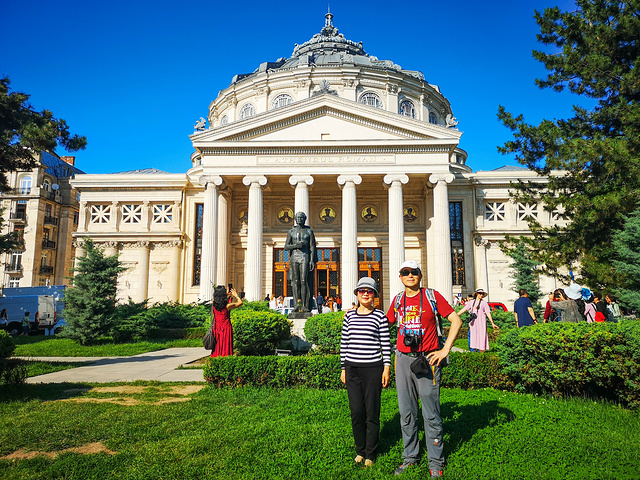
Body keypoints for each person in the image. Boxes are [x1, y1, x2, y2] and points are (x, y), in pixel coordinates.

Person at [387, 260, 462, 478]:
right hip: (403, 360)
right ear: (400, 277)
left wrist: (445, 349)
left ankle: (436, 463)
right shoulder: (398, 300)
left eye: (414, 272)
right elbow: (385, 323)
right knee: (407, 412)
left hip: (428, 359)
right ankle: (410, 458)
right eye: (405, 272)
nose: (410, 275)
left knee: (431, 413)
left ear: (420, 275)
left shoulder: (432, 297)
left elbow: (455, 320)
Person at [340, 277, 391, 467]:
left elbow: (385, 345)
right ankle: (359, 450)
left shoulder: (380, 316)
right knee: (356, 411)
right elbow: (344, 344)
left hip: (373, 369)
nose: (365, 294)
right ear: (357, 294)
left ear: (375, 295)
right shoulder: (349, 316)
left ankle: (370, 453)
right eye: (362, 291)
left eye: (369, 291)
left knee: (372, 411)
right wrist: (343, 368)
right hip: (352, 369)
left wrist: (386, 368)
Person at [284, 211, 317, 311]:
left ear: (304, 219)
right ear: (295, 219)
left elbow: (312, 247)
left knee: (304, 280)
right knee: (295, 281)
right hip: (295, 256)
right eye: (298, 218)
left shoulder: (309, 232)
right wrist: (295, 246)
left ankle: (305, 305)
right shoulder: (291, 232)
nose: (299, 219)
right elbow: (286, 246)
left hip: (305, 256)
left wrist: (312, 260)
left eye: (301, 218)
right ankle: (295, 306)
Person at [210, 286, 243, 357]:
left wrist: (227, 295)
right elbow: (240, 303)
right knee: (226, 345)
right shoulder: (228, 306)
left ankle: (216, 358)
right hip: (226, 328)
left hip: (217, 328)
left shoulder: (213, 304)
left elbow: (218, 299)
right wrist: (236, 295)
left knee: (217, 346)